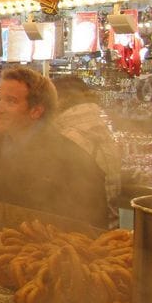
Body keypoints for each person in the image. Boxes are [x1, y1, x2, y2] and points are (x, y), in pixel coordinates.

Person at [0, 67, 109, 229]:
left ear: (36, 111)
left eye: (11, 101)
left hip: (44, 251)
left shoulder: (72, 162)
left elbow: (89, 230)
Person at [52, 76, 123, 229]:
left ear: (59, 100)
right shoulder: (101, 128)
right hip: (110, 227)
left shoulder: (68, 137)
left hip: (85, 232)